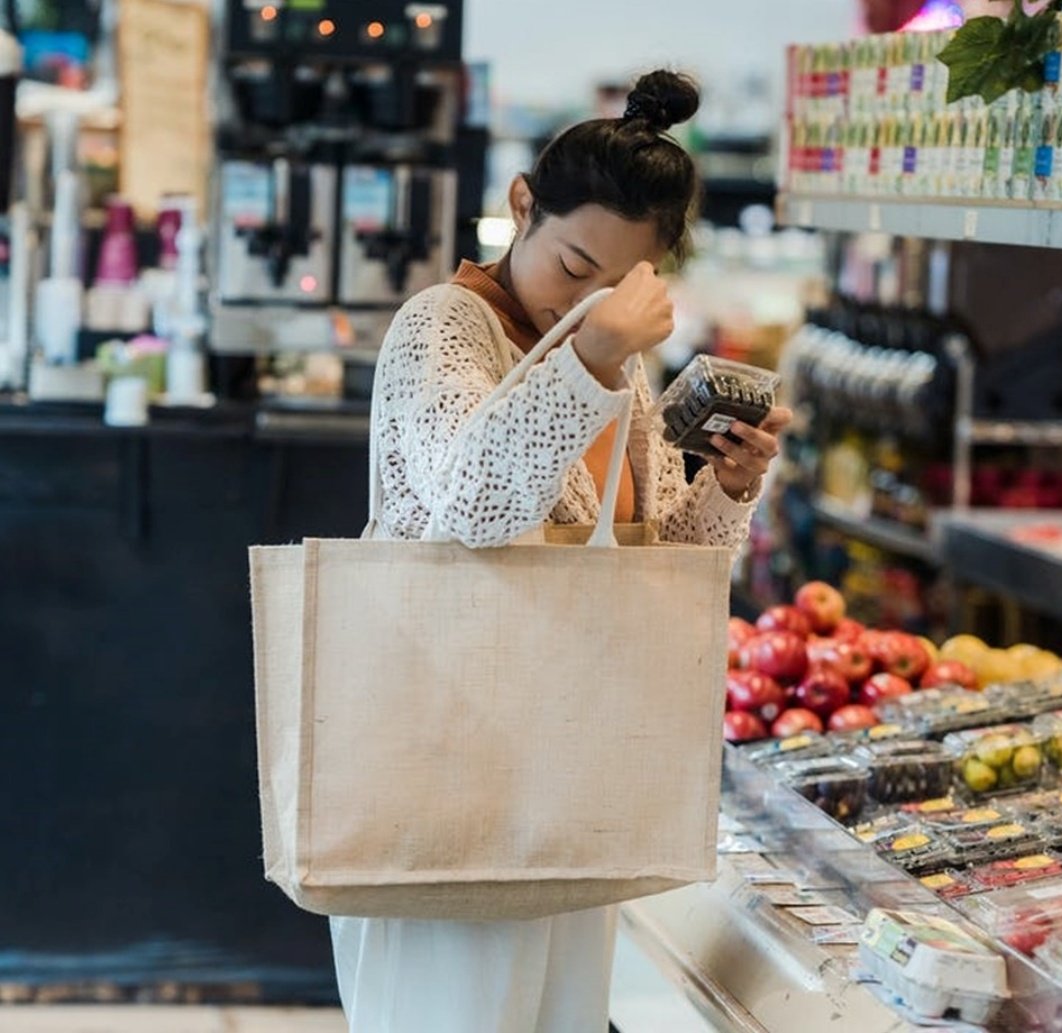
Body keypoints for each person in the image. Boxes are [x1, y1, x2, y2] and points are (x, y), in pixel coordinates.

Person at [331, 69, 792, 1033]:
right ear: (521, 208)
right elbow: (472, 506)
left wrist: (733, 484)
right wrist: (590, 361)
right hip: (444, 774)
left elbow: (667, 568)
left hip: (570, 774)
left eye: (618, 286)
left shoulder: (627, 370)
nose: (588, 306)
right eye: (572, 268)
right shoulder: (443, 328)